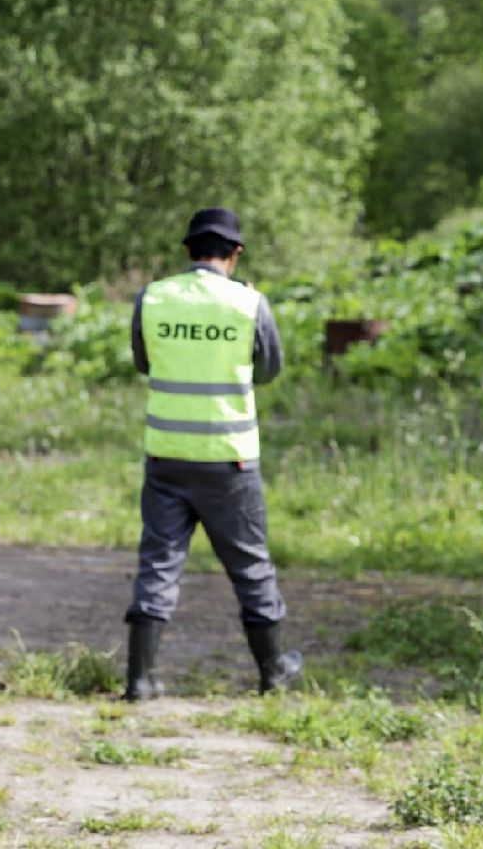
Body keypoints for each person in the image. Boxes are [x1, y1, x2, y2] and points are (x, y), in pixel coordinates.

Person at [122, 206, 302, 700]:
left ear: (187, 250)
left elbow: (144, 361)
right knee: (250, 565)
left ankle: (140, 679)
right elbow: (268, 370)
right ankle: (272, 672)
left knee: (159, 562)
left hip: (167, 456)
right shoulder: (248, 304)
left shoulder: (154, 297)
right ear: (236, 253)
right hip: (229, 458)